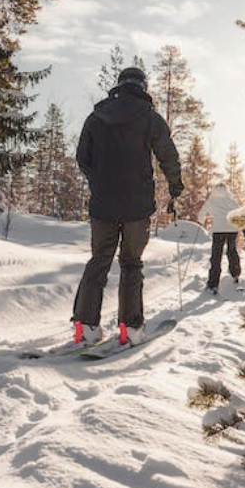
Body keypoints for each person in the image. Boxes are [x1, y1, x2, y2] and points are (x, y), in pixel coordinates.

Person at [72, 65, 183, 346]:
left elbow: (83, 157)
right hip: (137, 204)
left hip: (103, 203)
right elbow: (167, 154)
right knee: (131, 263)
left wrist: (99, 180)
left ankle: (85, 326)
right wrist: (175, 185)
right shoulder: (149, 118)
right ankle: (130, 328)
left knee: (99, 260)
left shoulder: (96, 117)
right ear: (143, 87)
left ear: (119, 85)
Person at [197, 182, 245, 294]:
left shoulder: (212, 200)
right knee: (232, 250)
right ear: (226, 190)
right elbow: (240, 215)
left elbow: (202, 213)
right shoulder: (231, 200)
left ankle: (213, 284)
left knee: (216, 255)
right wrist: (244, 229)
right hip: (232, 230)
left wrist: (201, 221)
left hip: (218, 231)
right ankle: (235, 273)